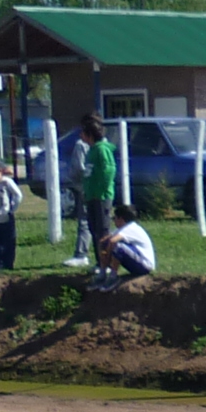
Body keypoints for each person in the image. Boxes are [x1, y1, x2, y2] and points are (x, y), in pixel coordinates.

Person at [74, 115, 116, 266]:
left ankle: (108, 262)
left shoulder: (101, 149)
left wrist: (101, 191)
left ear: (90, 135)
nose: (81, 136)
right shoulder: (91, 150)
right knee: (93, 230)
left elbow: (108, 171)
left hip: (101, 197)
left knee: (102, 231)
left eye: (83, 133)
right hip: (91, 196)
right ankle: (100, 263)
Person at [89, 203, 156, 290]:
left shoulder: (131, 227)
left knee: (118, 247)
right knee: (106, 244)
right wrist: (103, 251)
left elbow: (113, 241)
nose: (114, 221)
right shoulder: (122, 229)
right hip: (136, 261)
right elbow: (103, 241)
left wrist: (107, 255)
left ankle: (113, 277)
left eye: (115, 218)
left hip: (144, 265)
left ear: (121, 219)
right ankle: (102, 274)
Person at [0, 161, 22, 271]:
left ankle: (8, 263)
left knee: (8, 241)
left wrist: (12, 209)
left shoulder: (6, 182)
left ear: (0, 172)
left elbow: (18, 195)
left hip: (6, 216)